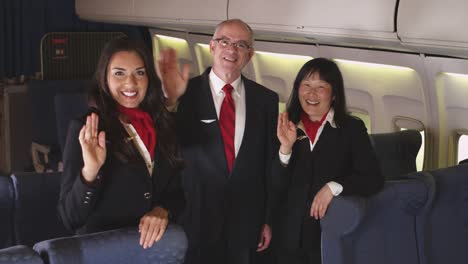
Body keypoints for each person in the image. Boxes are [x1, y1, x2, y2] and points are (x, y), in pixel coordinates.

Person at [159, 19, 279, 264]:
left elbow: (268, 164)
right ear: (212, 46)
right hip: (196, 217)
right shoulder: (184, 93)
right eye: (225, 41)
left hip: (246, 222)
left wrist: (267, 218)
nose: (232, 50)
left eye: (241, 44)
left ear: (250, 54)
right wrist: (170, 102)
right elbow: (164, 150)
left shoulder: (266, 100)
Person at [58, 38, 186, 255]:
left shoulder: (161, 124)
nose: (130, 83)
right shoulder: (88, 128)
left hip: (154, 251)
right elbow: (70, 218)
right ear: (104, 78)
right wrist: (90, 171)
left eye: (139, 73)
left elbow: (177, 190)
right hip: (105, 251)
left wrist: (163, 209)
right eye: (119, 73)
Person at [274, 58, 384, 264]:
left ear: (334, 94)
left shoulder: (351, 129)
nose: (311, 94)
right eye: (305, 85)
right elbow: (273, 185)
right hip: (285, 235)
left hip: (327, 235)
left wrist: (334, 187)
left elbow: (373, 178)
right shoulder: (285, 125)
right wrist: (285, 149)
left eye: (321, 87)